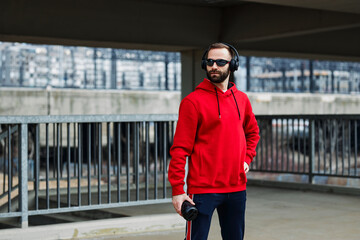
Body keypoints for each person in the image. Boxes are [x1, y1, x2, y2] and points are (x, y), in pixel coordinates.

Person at [168, 42, 260, 240]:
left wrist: (246, 159)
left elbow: (253, 132)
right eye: (210, 62)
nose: (214, 66)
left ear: (232, 65)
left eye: (220, 61)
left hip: (236, 188)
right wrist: (177, 190)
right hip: (202, 190)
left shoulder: (242, 100)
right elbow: (180, 149)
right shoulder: (192, 102)